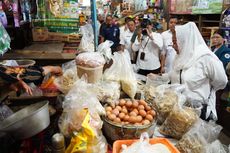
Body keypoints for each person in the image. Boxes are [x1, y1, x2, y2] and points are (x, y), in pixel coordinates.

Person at [170, 22, 227, 121]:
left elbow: (221, 81)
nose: (173, 46)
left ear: (186, 41)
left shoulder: (206, 58)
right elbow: (177, 74)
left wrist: (208, 89)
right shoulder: (181, 55)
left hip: (198, 112)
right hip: (178, 109)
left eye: (176, 42)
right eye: (173, 42)